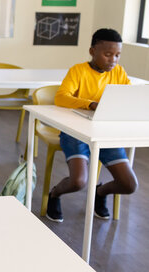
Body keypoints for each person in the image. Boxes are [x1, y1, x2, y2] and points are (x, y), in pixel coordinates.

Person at [46, 28, 138, 223]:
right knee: (78, 182)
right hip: (75, 133)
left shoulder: (119, 72)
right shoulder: (78, 70)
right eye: (107, 54)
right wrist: (91, 104)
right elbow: (61, 97)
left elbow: (127, 96)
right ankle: (54, 194)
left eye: (117, 55)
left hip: (104, 134)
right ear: (92, 51)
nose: (113, 60)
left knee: (129, 184)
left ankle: (101, 192)